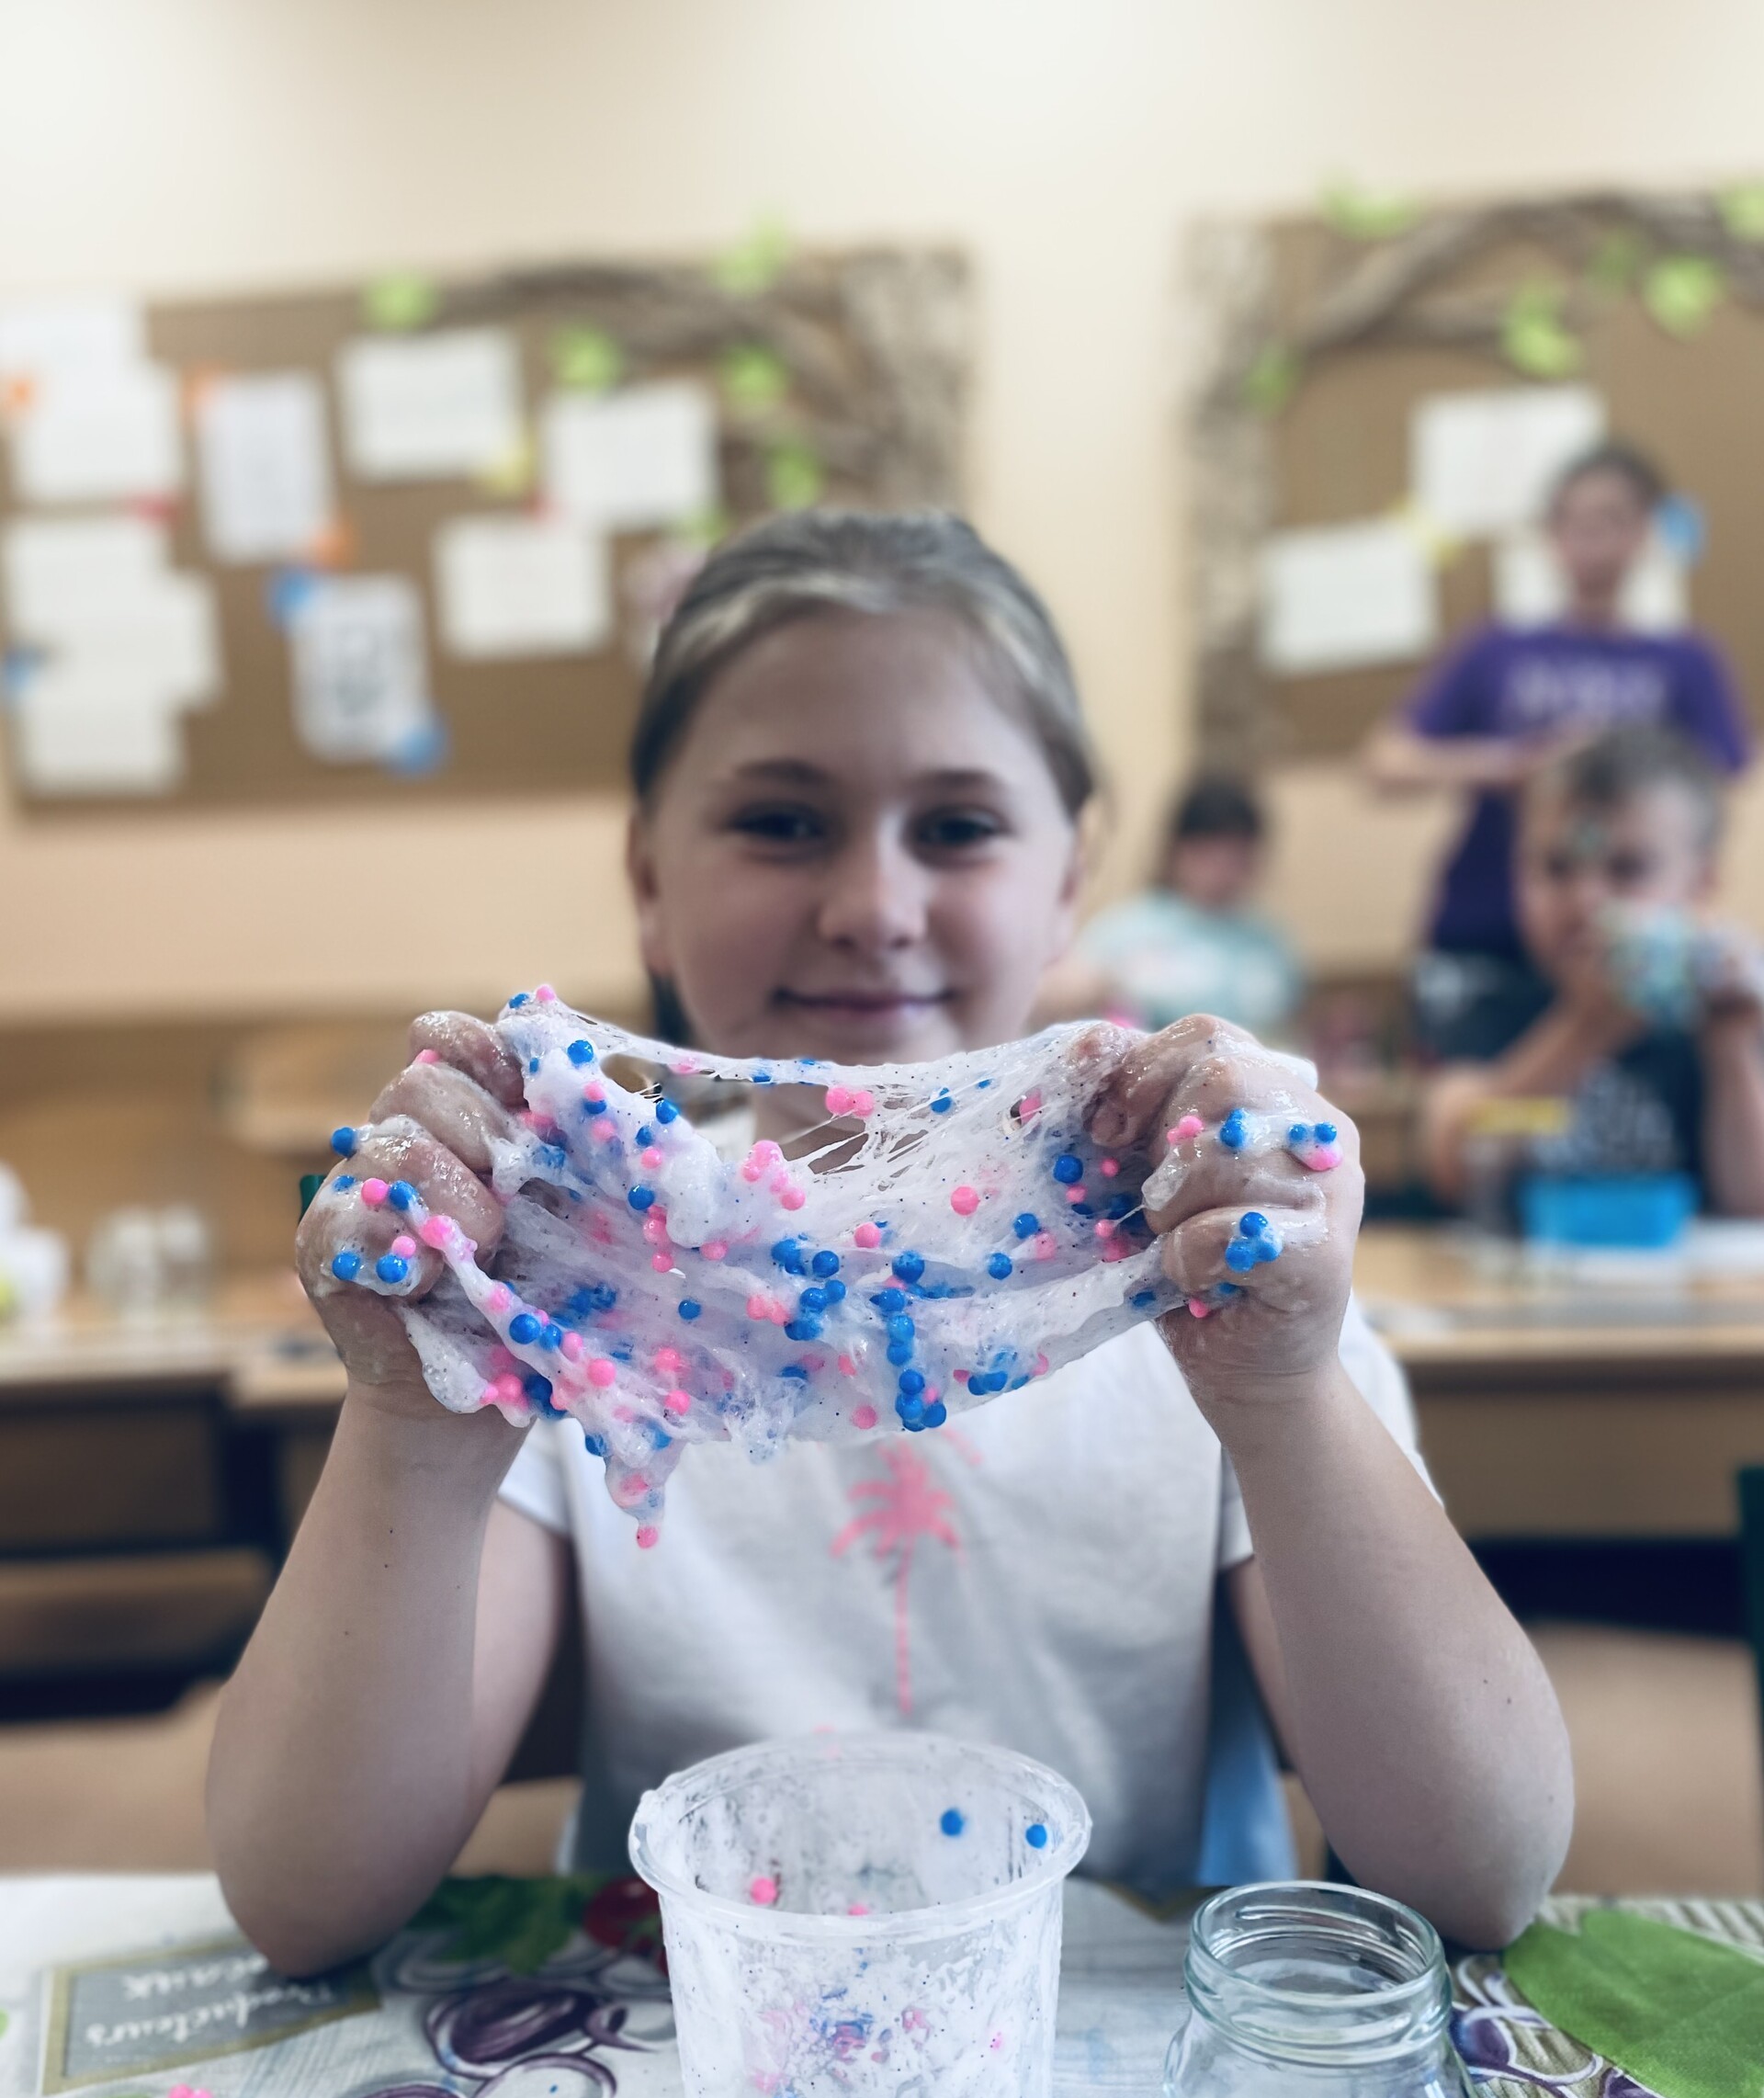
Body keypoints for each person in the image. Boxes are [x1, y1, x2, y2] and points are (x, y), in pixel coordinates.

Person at [208, 511, 1570, 1975]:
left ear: (1070, 881)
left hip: (1130, 2057)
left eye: (958, 828)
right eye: (782, 823)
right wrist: (419, 1416)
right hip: (691, 2061)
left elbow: (1480, 1875)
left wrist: (1288, 1393)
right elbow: (302, 1896)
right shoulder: (566, 1288)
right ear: (650, 879)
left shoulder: (1216, 1278)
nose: (873, 909)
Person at [1363, 442, 1750, 1041]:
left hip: (1632, 948)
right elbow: (1386, 761)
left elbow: (1717, 782)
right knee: (1488, 1096)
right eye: (1574, 518)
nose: (1592, 536)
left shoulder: (1687, 660)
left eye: (1613, 518)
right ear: (1550, 535)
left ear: (1647, 533)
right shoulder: (1494, 649)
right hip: (1485, 936)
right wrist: (1515, 765)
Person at [1422, 724, 1764, 1214]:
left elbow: (1754, 1203)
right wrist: (1585, 1031)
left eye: (1627, 868)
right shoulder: (1495, 1004)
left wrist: (1732, 1050)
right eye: (1557, 866)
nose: (1586, 901)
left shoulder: (1719, 1018)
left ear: (1701, 884)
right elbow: (1450, 1164)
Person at [1060, 771, 1302, 1038]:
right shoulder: (1124, 931)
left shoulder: (1269, 942)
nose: (1222, 872)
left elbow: (1287, 1030)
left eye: (1237, 858)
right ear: (1175, 851)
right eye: (1208, 856)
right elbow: (1072, 1000)